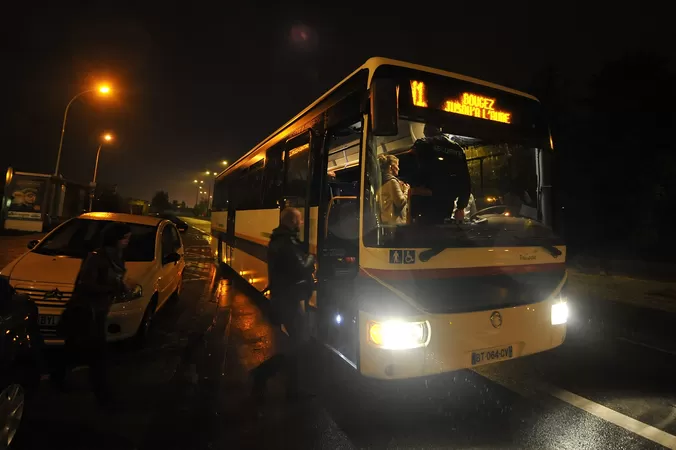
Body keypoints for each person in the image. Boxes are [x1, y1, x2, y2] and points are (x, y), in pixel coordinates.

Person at [52, 222, 135, 407]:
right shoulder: (97, 257)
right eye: (125, 238)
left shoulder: (118, 257)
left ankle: (56, 378)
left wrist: (122, 287)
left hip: (98, 311)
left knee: (72, 349)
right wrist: (113, 288)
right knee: (98, 357)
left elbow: (115, 279)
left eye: (128, 238)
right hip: (87, 311)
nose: (127, 242)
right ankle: (104, 398)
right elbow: (86, 285)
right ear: (115, 239)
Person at [250, 207, 315, 402]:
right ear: (293, 222)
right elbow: (301, 267)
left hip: (285, 298)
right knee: (300, 344)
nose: (302, 223)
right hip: (289, 300)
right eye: (299, 220)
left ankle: (291, 389)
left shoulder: (279, 239)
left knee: (298, 344)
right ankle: (264, 375)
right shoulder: (286, 243)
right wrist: (312, 256)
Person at [412, 124, 471, 223]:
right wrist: (461, 206)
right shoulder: (457, 149)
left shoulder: (422, 144)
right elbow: (465, 180)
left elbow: (415, 170)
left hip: (427, 199)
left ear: (426, 132)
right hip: (448, 201)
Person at [378, 154, 409, 225]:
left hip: (386, 220)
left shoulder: (382, 181)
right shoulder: (392, 182)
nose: (398, 168)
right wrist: (406, 190)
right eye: (397, 165)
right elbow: (400, 202)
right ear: (391, 167)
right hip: (396, 223)